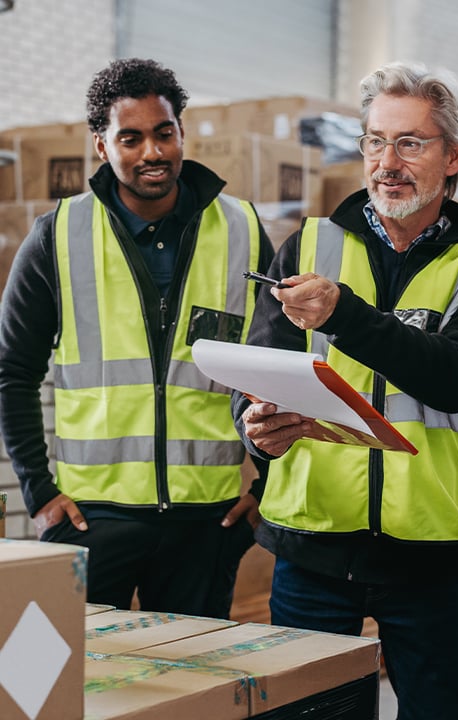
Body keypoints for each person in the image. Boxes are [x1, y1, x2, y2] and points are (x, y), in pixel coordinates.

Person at [231, 61, 458, 720]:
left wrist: (343, 314)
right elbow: (261, 371)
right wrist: (258, 430)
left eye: (410, 143)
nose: (387, 161)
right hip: (312, 550)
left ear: (453, 157)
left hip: (426, 557)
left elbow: (452, 377)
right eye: (375, 141)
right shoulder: (307, 245)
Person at [0, 58, 274, 619]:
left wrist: (265, 489)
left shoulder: (242, 229)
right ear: (102, 146)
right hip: (92, 517)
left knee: (195, 692)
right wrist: (38, 492)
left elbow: (278, 365)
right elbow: (12, 371)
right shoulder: (59, 233)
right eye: (131, 137)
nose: (152, 151)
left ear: (180, 132)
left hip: (207, 520)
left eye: (163, 132)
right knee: (83, 689)